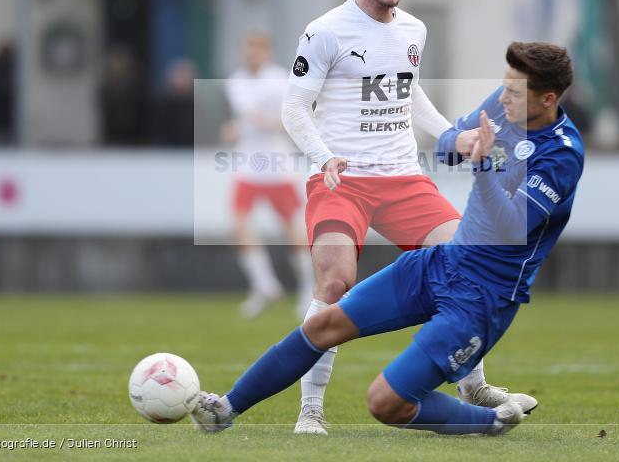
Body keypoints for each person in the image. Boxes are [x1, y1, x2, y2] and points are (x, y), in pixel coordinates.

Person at [191, 41, 585, 436]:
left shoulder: (561, 154)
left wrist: (483, 166)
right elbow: (448, 148)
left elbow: (510, 227)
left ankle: (492, 420)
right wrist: (461, 143)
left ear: (548, 99)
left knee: (385, 402)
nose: (502, 97)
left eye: (514, 91)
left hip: (482, 295)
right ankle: (225, 409)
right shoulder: (506, 106)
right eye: (505, 85)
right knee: (322, 325)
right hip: (441, 263)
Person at [279, 0, 509, 434]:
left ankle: (472, 382)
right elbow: (293, 107)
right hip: (342, 180)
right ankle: (310, 410)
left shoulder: (413, 30)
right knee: (335, 282)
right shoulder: (325, 31)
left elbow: (409, 92)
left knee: (468, 265)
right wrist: (323, 156)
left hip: (403, 177)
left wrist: (453, 135)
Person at [223, 32, 314, 318]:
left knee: (290, 228)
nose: (252, 52)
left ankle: (308, 288)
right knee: (238, 221)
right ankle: (263, 284)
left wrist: (270, 122)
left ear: (267, 52)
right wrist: (235, 129)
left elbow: (295, 120)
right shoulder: (235, 81)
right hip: (248, 162)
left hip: (276, 164)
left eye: (258, 48)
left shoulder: (279, 80)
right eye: (249, 47)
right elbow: (243, 119)